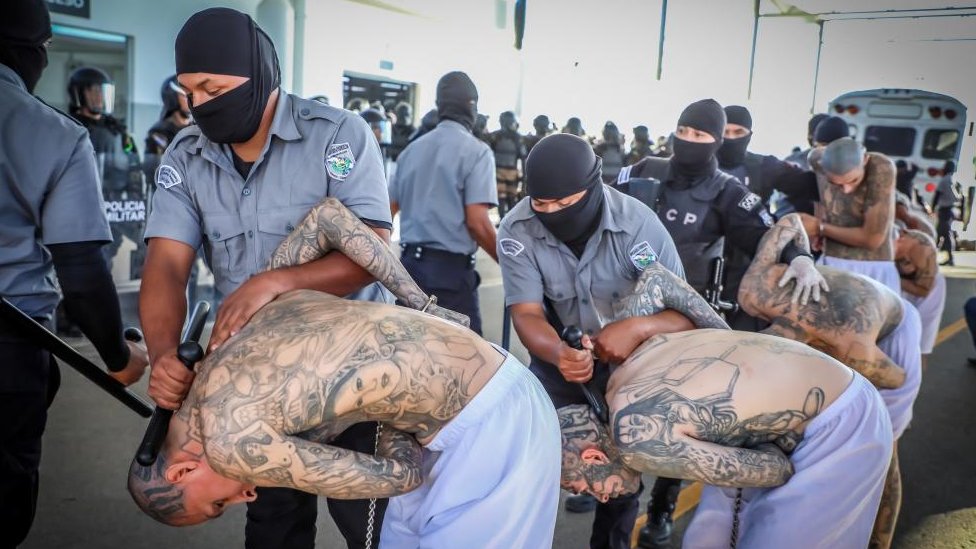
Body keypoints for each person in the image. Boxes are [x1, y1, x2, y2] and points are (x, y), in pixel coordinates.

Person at [127, 205, 558, 544]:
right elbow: (329, 218)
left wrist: (390, 414)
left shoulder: (231, 446)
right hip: (482, 392)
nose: (247, 496)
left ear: (181, 472)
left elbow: (401, 475)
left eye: (219, 502)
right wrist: (418, 302)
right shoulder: (231, 330)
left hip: (493, 419)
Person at [140, 8, 394, 549]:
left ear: (259, 74)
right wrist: (163, 353)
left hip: (352, 372)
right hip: (256, 382)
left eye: (214, 87)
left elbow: (370, 250)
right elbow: (165, 265)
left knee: (368, 524)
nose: (200, 103)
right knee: (273, 525)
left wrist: (276, 282)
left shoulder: (337, 136)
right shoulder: (187, 157)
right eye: (189, 91)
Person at [498, 133, 720, 549]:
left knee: (620, 484)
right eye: (542, 204)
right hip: (558, 358)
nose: (552, 213)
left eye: (566, 203)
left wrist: (637, 329)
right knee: (532, 460)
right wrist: (558, 353)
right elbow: (526, 313)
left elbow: (689, 319)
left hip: (633, 368)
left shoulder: (638, 227)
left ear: (595, 185)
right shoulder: (517, 228)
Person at [0, 2, 149, 546]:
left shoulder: (109, 132)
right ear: (33, 52)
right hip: (10, 347)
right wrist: (118, 356)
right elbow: (81, 270)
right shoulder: (51, 131)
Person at [559, 328, 892, 549]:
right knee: (706, 537)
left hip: (840, 420)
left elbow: (775, 470)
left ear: (593, 457)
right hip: (816, 396)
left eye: (582, 487)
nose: (599, 498)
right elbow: (662, 283)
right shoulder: (618, 381)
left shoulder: (636, 447)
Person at [738, 213, 923, 549]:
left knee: (884, 449)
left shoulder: (853, 347)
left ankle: (880, 541)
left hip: (894, 327)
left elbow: (896, 378)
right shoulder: (752, 291)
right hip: (844, 300)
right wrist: (802, 258)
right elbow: (791, 221)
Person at [389, 71, 498, 336]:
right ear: (471, 105)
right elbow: (477, 222)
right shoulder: (477, 152)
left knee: (411, 355)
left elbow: (387, 213)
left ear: (440, 106)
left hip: (409, 272)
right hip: (451, 277)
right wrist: (509, 263)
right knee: (469, 362)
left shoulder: (410, 152)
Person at [68, 65, 147, 273]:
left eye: (103, 91)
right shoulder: (68, 127)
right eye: (93, 91)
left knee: (105, 266)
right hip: (79, 213)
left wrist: (135, 200)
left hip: (115, 211)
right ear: (79, 94)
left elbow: (134, 165)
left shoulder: (120, 133)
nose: (100, 97)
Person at [798, 137, 899, 291]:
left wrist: (820, 228)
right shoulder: (816, 160)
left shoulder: (880, 167)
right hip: (831, 261)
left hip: (873, 268)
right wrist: (821, 221)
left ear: (865, 160)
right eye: (835, 184)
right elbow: (821, 195)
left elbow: (872, 239)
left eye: (853, 180)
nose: (846, 190)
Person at [896, 227, 945, 368]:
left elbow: (923, 290)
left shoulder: (922, 247)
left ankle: (914, 387)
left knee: (920, 347)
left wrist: (894, 277)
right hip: (900, 283)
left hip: (925, 291)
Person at [488, 110, 527, 217]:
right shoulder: (516, 138)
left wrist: (524, 177)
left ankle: (504, 222)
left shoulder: (496, 136)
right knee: (509, 199)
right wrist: (524, 177)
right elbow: (523, 158)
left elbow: (523, 158)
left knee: (504, 199)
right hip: (507, 172)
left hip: (502, 172)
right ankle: (507, 222)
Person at [932, 160, 959, 266]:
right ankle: (934, 256)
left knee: (944, 235)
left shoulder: (944, 180)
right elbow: (957, 197)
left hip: (945, 210)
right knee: (940, 234)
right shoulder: (952, 179)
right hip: (951, 209)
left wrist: (933, 208)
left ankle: (949, 258)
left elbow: (937, 194)